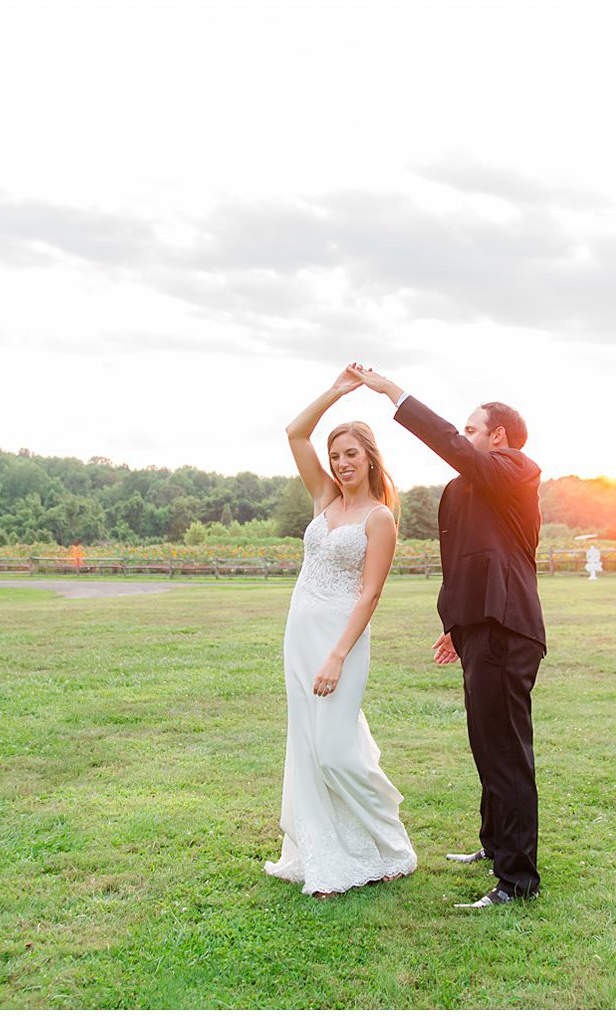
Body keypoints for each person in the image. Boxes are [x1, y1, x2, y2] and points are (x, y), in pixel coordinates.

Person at [348, 365, 545, 909]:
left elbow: (453, 448)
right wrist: (456, 626)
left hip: (507, 628)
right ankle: (494, 844)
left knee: (505, 750)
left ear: (497, 436)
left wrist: (394, 393)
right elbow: (467, 560)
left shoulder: (516, 469)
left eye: (473, 429)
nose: (467, 436)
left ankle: (517, 881)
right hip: (482, 626)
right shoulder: (476, 485)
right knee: (487, 741)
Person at [263, 366, 418, 898]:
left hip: (341, 640)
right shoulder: (325, 500)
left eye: (350, 455)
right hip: (300, 632)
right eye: (335, 456)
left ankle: (393, 843)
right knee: (307, 745)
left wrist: (337, 656)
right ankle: (324, 852)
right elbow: (295, 433)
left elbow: (370, 594)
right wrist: (336, 391)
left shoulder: (380, 518)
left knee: (335, 749)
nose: (340, 464)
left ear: (370, 457)